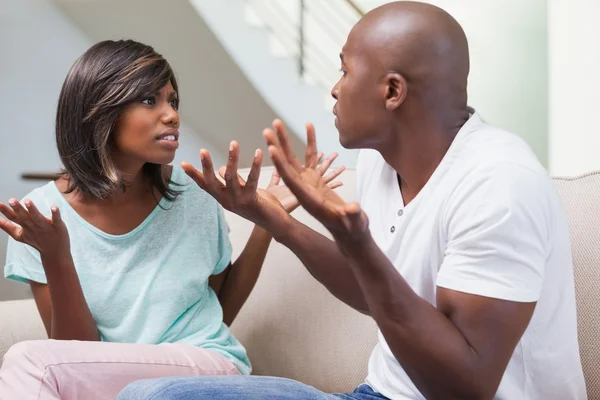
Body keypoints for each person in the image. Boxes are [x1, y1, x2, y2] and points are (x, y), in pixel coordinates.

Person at [117, 1, 587, 400]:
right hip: (377, 393)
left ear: (392, 91)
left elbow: (464, 389)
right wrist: (275, 221)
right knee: (146, 394)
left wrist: (359, 247)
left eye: (345, 69)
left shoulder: (499, 183)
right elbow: (377, 297)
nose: (335, 88)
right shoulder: (385, 165)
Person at [0, 39, 344, 399]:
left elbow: (219, 308)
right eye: (150, 100)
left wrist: (265, 220)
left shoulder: (193, 194)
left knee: (29, 361)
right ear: (99, 110)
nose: (172, 115)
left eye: (173, 100)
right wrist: (57, 256)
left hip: (204, 367)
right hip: (115, 382)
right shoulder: (39, 215)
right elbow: (76, 359)